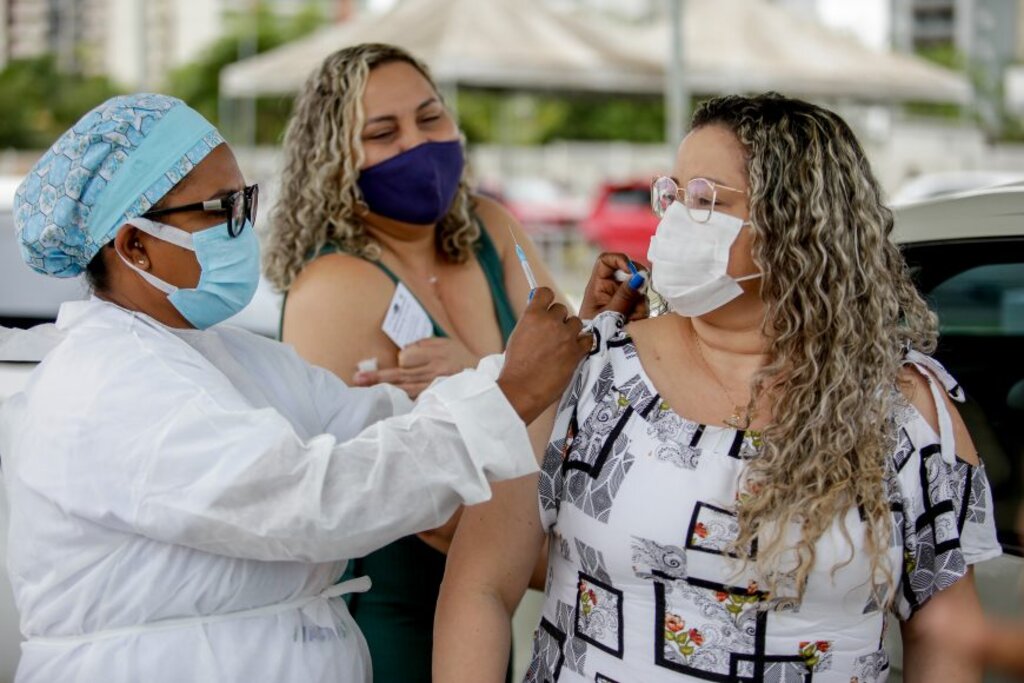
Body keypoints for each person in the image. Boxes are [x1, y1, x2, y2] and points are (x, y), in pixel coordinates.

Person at [0, 93, 593, 683]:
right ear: (135, 246)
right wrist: (508, 394)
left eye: (245, 199)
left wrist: (503, 377)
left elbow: (375, 427)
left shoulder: (229, 356)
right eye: (220, 208)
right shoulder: (107, 384)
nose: (242, 225)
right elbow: (311, 500)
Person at [433, 93, 1001, 683]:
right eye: (671, 194)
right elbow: (480, 585)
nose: (674, 216)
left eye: (704, 199)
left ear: (796, 225)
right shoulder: (588, 370)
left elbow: (945, 636)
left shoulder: (905, 412)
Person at [263, 43, 644, 680]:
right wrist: (617, 571)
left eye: (431, 118)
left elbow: (567, 387)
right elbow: (404, 502)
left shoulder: (490, 228)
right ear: (334, 162)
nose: (418, 144)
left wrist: (482, 367)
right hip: (401, 620)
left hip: (500, 593)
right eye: (384, 132)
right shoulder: (335, 288)